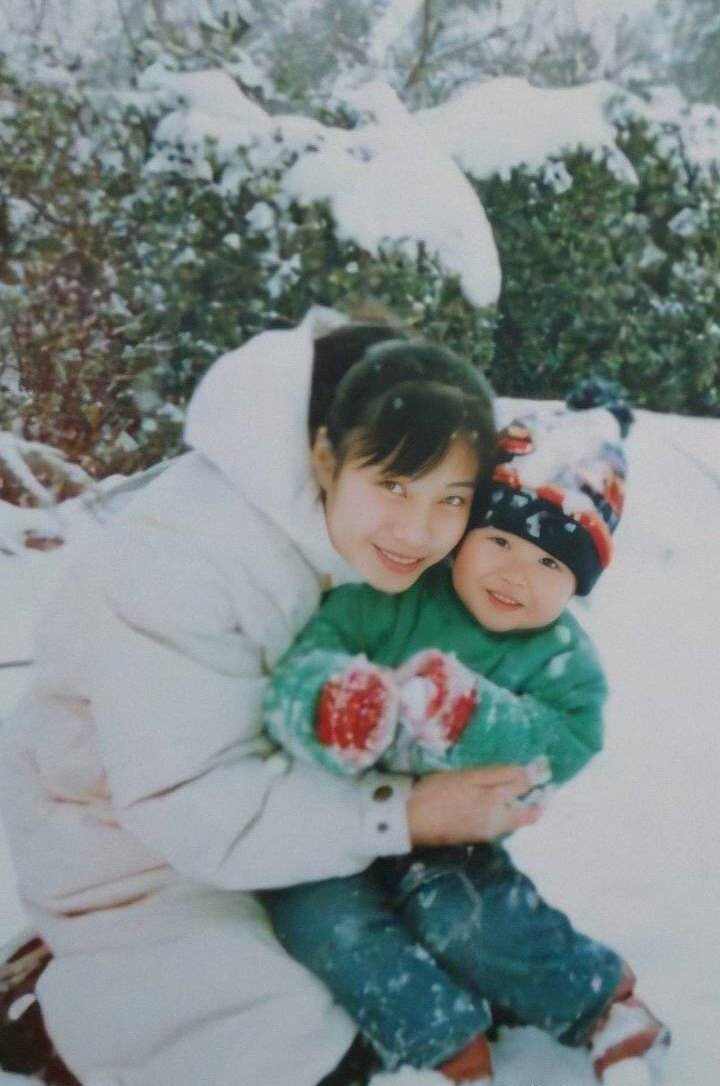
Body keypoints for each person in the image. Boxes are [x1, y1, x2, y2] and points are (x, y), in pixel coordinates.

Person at [0, 308, 544, 1086]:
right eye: (395, 484)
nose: (420, 532)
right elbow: (189, 803)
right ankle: (60, 995)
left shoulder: (346, 530)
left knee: (449, 960)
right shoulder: (183, 560)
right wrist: (407, 812)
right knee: (285, 1048)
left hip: (278, 823)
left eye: (446, 499)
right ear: (325, 452)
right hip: (130, 847)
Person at [261, 386, 670, 1085]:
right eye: (502, 541)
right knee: (326, 926)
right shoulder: (392, 595)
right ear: (464, 534)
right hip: (331, 824)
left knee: (469, 918)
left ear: (579, 583)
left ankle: (601, 1002)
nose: (518, 573)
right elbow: (304, 661)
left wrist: (477, 720)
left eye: (552, 563)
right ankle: (444, 1046)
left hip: (455, 841)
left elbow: (571, 737)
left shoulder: (558, 656)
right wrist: (332, 703)